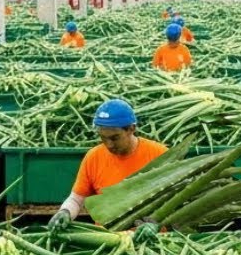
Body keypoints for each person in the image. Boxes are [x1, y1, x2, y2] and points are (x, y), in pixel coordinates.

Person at [48, 99, 168, 236]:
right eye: (103, 138)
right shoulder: (94, 157)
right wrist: (65, 212)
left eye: (115, 138)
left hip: (152, 240)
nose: (109, 145)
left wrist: (156, 223)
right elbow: (76, 199)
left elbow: (175, 200)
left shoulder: (159, 154)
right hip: (108, 241)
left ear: (131, 129)